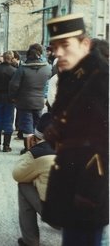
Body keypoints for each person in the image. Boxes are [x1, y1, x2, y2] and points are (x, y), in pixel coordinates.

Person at [42, 13, 109, 246]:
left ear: (85, 44)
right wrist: (54, 131)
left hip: (88, 189)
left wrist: (90, 192)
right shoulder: (73, 75)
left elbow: (104, 142)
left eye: (65, 45)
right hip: (71, 180)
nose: (57, 53)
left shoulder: (102, 79)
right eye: (54, 47)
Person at [12, 113, 56, 246]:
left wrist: (30, 151)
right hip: (88, 218)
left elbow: (17, 174)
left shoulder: (39, 152)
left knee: (24, 185)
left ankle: (30, 241)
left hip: (57, 217)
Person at [9, 43, 52, 154]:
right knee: (37, 124)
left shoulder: (22, 69)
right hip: (39, 100)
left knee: (27, 124)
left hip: (24, 101)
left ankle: (28, 148)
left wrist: (13, 97)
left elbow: (14, 85)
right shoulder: (47, 68)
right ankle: (37, 147)